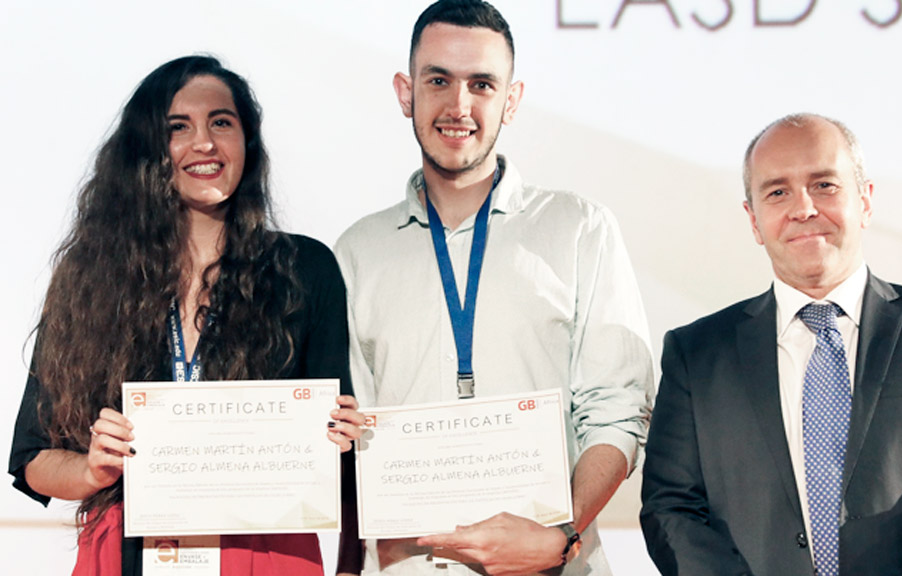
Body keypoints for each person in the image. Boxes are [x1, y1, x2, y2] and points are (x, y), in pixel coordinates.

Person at [7, 55, 364, 576]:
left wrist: (342, 437)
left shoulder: (304, 270)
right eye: (179, 128)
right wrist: (92, 469)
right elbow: (35, 460)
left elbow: (339, 460)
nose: (204, 143)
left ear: (248, 141)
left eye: (222, 122)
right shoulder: (91, 278)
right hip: (127, 549)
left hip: (266, 551)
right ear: (148, 150)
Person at [334, 0, 654, 574]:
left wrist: (562, 532)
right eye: (439, 80)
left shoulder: (579, 228)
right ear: (406, 92)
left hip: (554, 566)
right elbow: (348, 425)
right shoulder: (356, 250)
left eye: (482, 84)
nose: (459, 106)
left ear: (512, 100)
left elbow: (617, 411)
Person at [640, 112, 902, 575]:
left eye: (824, 185)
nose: (803, 208)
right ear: (754, 220)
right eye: (778, 192)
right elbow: (671, 509)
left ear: (865, 200)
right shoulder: (696, 354)